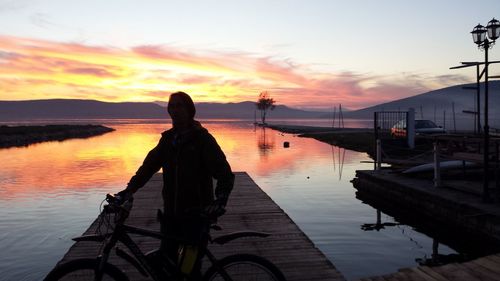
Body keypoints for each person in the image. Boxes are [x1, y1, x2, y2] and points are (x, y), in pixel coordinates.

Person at [118, 91, 234, 280]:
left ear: (190, 110)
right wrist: (129, 190)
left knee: (189, 271)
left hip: (196, 218)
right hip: (171, 216)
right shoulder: (167, 140)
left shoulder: (202, 139)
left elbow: (224, 174)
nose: (175, 110)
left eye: (180, 105)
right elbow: (148, 168)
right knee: (166, 268)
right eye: (172, 106)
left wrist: (221, 199)